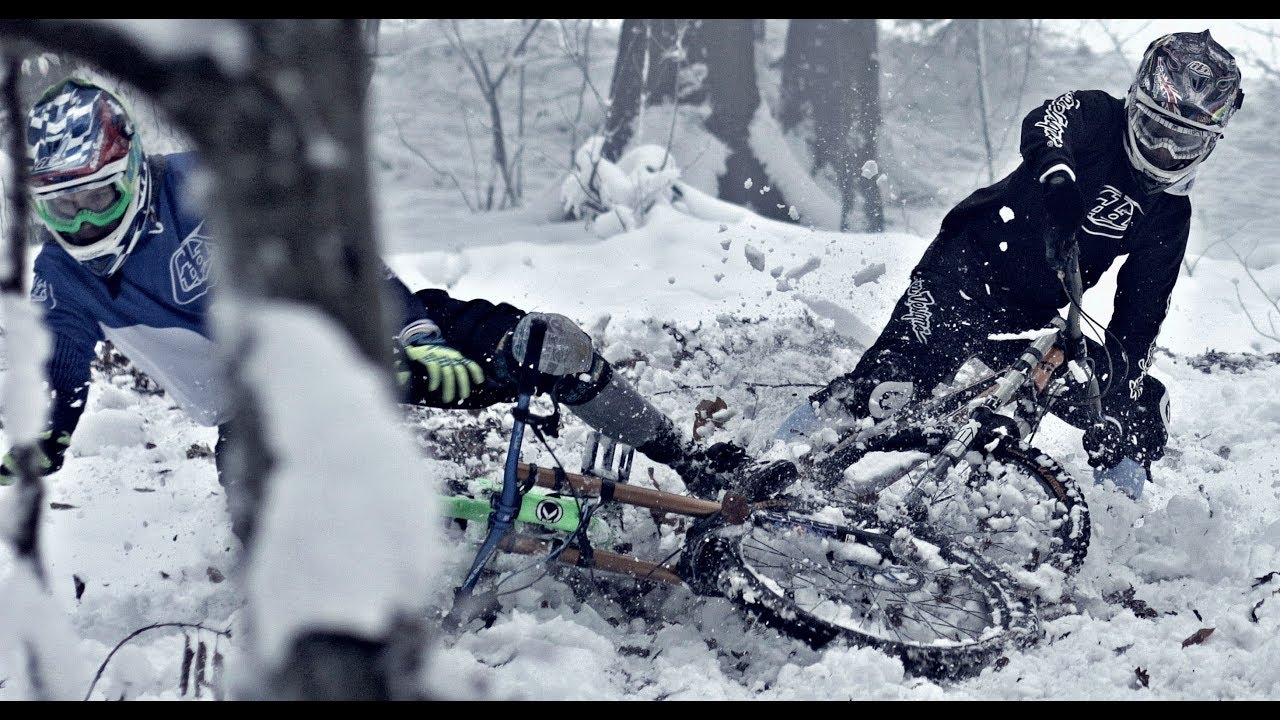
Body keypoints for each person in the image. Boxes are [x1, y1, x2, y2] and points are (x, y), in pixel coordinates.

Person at [0, 76, 749, 539]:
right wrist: (38, 439)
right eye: (60, 207)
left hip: (356, 326)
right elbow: (56, 371)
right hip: (257, 408)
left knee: (551, 346)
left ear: (132, 167)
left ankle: (694, 464)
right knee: (271, 527)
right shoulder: (61, 276)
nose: (83, 221)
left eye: (97, 196)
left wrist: (419, 336)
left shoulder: (211, 182)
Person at [774, 30, 1244, 500]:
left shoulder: (1169, 212)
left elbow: (1140, 318)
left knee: (1137, 411)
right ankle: (771, 460)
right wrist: (1058, 179)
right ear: (1135, 105)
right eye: (1156, 131)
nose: (1165, 151)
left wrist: (1115, 395)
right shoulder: (1098, 116)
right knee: (885, 391)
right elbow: (1046, 121)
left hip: (1034, 317)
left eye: (1184, 142)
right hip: (963, 272)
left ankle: (1118, 524)